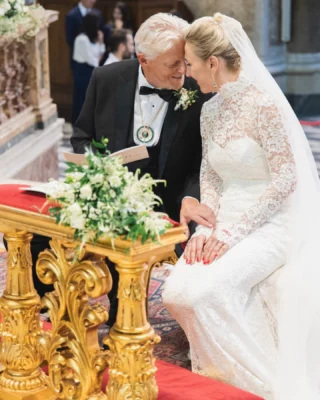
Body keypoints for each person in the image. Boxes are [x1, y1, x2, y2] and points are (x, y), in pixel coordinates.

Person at [163, 13, 320, 400]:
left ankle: (259, 384)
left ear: (213, 64)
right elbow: (212, 177)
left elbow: (286, 178)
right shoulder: (210, 110)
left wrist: (232, 234)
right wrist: (206, 228)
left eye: (192, 64)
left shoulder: (264, 106)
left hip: (271, 223)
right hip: (224, 221)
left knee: (202, 294)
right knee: (175, 294)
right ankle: (221, 376)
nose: (188, 72)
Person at [71, 13, 214, 327]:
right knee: (41, 235)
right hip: (113, 196)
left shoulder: (199, 91)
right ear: (143, 59)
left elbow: (204, 163)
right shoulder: (105, 79)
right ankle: (54, 314)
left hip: (170, 199)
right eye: (172, 64)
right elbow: (81, 136)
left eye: (185, 62)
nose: (182, 71)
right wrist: (97, 172)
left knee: (204, 264)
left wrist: (190, 198)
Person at [73, 13, 105, 123]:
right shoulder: (81, 39)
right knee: (82, 99)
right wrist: (98, 56)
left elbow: (100, 54)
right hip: (83, 72)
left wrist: (101, 42)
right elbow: (93, 61)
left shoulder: (93, 39)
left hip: (91, 71)